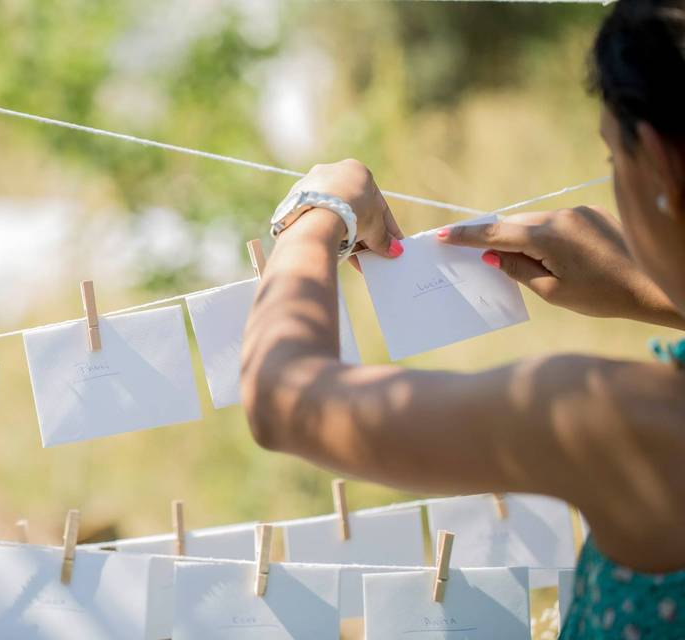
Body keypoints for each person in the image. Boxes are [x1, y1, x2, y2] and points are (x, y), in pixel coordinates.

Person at [240, 0, 685, 637]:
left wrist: (321, 212)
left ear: (661, 161)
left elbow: (283, 397)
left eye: (614, 159)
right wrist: (656, 289)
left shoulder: (616, 422)